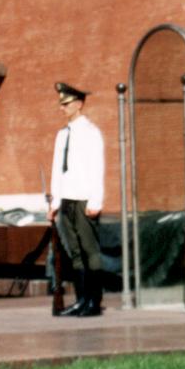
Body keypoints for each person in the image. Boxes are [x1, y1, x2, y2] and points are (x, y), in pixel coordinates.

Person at [47, 82, 105, 317]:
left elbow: (97, 167)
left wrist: (95, 201)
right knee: (75, 252)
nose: (62, 108)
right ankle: (81, 300)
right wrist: (55, 203)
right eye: (61, 104)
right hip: (67, 199)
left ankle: (93, 302)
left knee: (90, 250)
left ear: (79, 104)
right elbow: (57, 171)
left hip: (84, 199)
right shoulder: (62, 135)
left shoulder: (91, 132)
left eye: (66, 103)